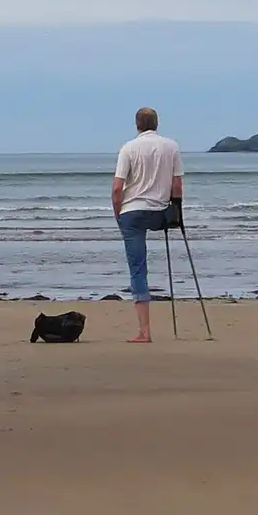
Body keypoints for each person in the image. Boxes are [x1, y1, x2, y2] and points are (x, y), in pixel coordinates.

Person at [111, 107, 184, 343]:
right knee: (140, 264)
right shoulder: (171, 146)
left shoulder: (128, 148)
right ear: (157, 124)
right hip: (160, 212)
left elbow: (117, 188)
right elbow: (177, 186)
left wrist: (117, 214)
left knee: (138, 269)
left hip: (132, 213)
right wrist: (177, 215)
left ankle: (145, 331)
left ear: (137, 124)